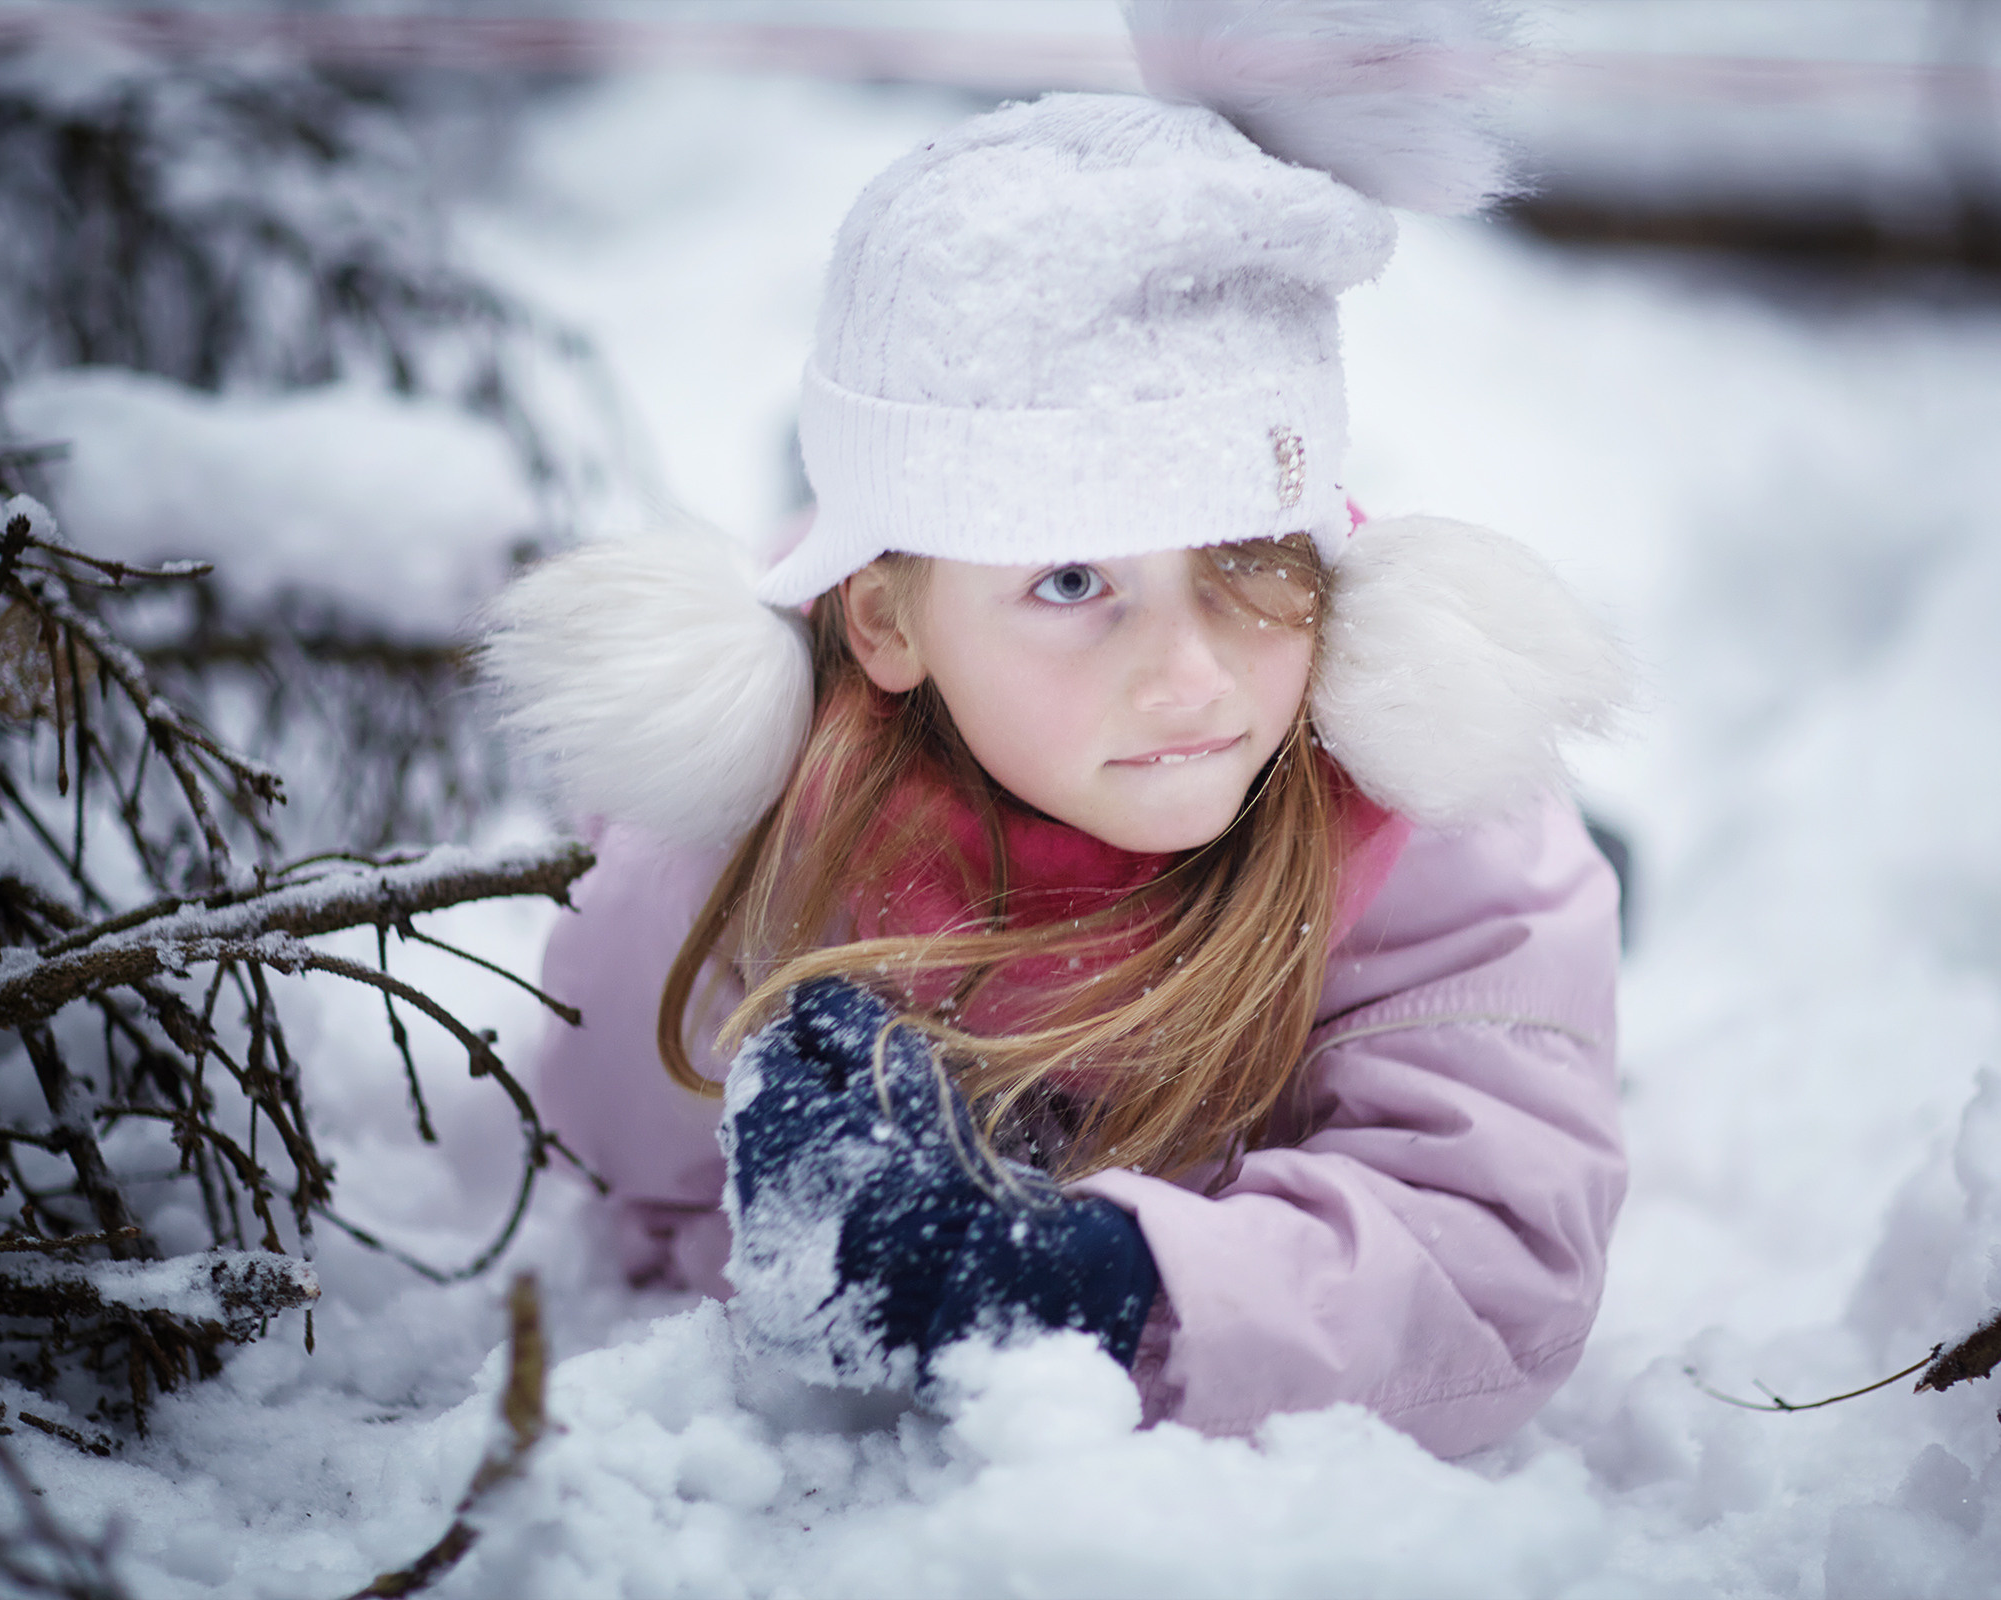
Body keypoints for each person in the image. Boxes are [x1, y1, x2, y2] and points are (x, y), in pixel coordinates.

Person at [484, 1, 1631, 1458]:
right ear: (890, 625)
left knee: (1574, 933)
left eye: (1250, 558)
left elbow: (1489, 1263)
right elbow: (639, 1194)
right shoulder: (726, 828)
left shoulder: (1442, 801)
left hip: (1445, 916)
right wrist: (799, 1217)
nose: (1193, 676)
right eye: (1075, 579)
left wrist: (1088, 1284)